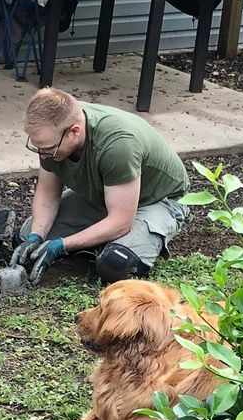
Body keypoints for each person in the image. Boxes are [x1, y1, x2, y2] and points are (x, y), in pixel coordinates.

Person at [11, 87, 191, 284]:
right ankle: (100, 238)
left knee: (117, 262)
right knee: (24, 239)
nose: (42, 154)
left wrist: (61, 246)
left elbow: (121, 221)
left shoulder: (118, 145)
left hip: (156, 200)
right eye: (37, 147)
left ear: (74, 131)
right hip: (105, 195)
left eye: (48, 149)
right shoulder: (52, 134)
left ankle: (116, 242)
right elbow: (47, 195)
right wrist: (36, 236)